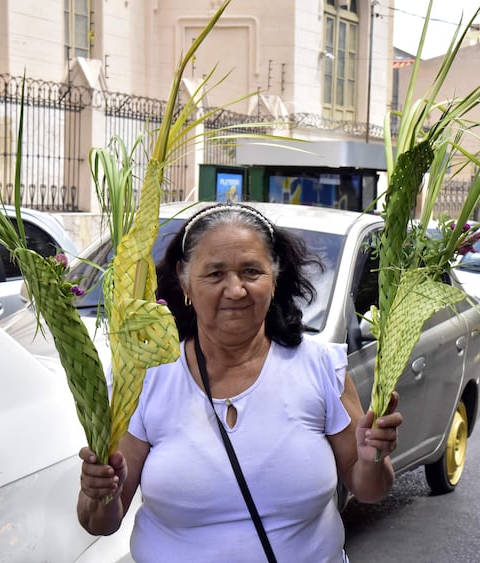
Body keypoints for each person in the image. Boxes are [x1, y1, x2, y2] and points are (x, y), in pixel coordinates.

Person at [77, 202, 403, 562]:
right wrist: (98, 492)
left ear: (274, 277)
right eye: (215, 274)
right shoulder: (143, 377)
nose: (235, 290)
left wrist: (374, 458)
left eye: (251, 272)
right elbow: (101, 522)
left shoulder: (322, 369)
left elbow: (370, 489)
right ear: (185, 280)